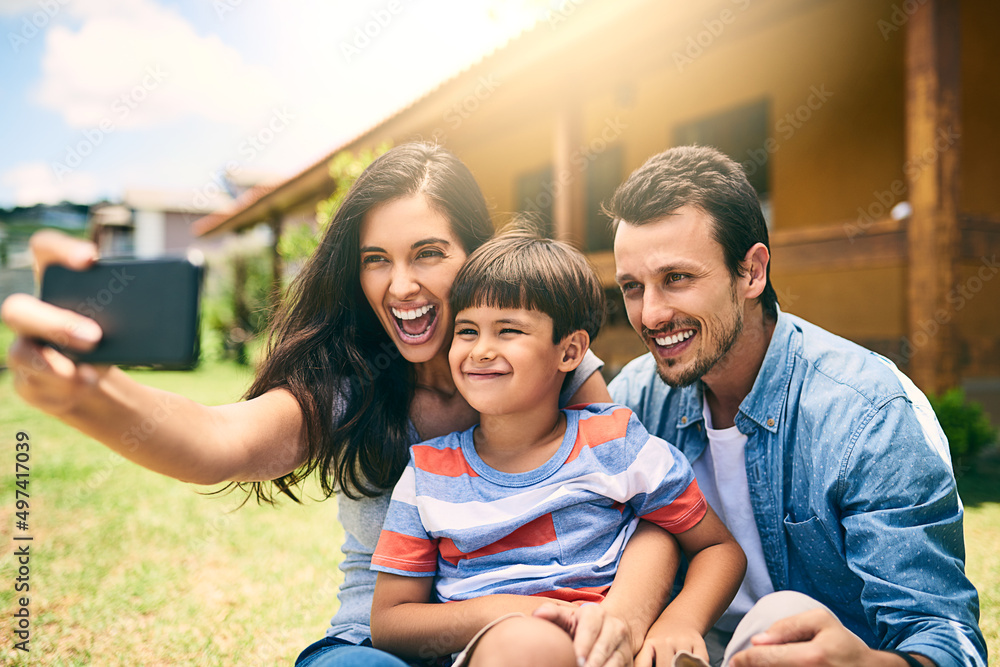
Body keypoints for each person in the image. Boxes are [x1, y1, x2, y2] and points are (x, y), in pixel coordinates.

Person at [1, 143, 678, 667]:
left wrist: (625, 612)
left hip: (530, 644)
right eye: (376, 258)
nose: (401, 284)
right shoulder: (347, 381)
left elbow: (640, 497)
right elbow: (216, 442)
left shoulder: (548, 365)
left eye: (429, 253)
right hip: (381, 644)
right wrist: (90, 394)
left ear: (478, 256)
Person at [605, 145, 987, 667]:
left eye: (677, 278)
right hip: (679, 651)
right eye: (632, 287)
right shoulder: (633, 402)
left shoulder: (869, 414)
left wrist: (863, 665)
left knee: (781, 615)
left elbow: (946, 641)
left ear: (751, 273)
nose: (650, 314)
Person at [368, 226, 747, 667]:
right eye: (467, 330)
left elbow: (718, 549)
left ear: (569, 352)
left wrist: (677, 624)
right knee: (530, 647)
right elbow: (389, 623)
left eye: (508, 330)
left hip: (614, 650)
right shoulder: (428, 474)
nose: (481, 350)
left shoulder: (614, 441)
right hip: (506, 653)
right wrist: (511, 613)